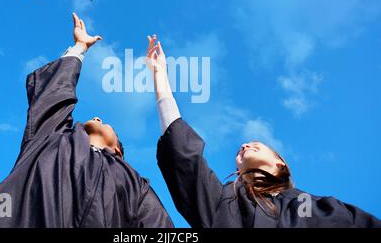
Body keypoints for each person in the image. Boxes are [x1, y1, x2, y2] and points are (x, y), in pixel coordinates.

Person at [0, 13, 173, 228]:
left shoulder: (135, 185)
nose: (97, 117)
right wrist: (80, 48)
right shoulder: (50, 139)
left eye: (105, 122)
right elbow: (54, 96)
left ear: (118, 151)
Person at [145, 35, 381, 228]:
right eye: (243, 147)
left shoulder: (317, 208)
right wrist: (160, 76)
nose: (246, 145)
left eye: (256, 143)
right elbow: (184, 157)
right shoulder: (223, 202)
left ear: (281, 163)